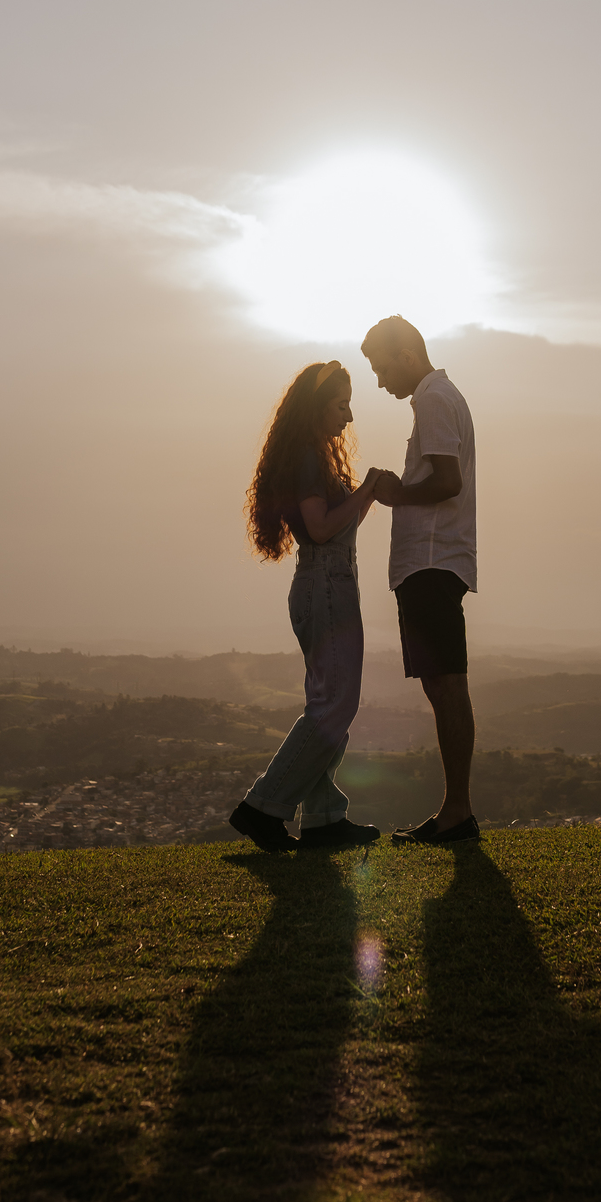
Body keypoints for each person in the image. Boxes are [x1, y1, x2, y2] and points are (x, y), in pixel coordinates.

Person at [229, 360, 382, 853]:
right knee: (334, 704)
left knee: (330, 702)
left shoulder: (312, 455)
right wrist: (366, 490)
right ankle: (262, 807)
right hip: (327, 584)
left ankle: (323, 818)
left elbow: (333, 525)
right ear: (317, 408)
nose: (349, 417)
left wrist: (365, 497)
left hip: (325, 583)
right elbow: (319, 528)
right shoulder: (309, 460)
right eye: (341, 406)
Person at [360, 316, 480, 844]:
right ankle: (456, 811)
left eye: (383, 369)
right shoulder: (437, 398)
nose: (380, 382)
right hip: (432, 562)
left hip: (432, 562)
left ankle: (458, 813)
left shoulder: (433, 399)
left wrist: (396, 493)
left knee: (447, 684)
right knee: (440, 684)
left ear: (407, 356)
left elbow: (448, 481)